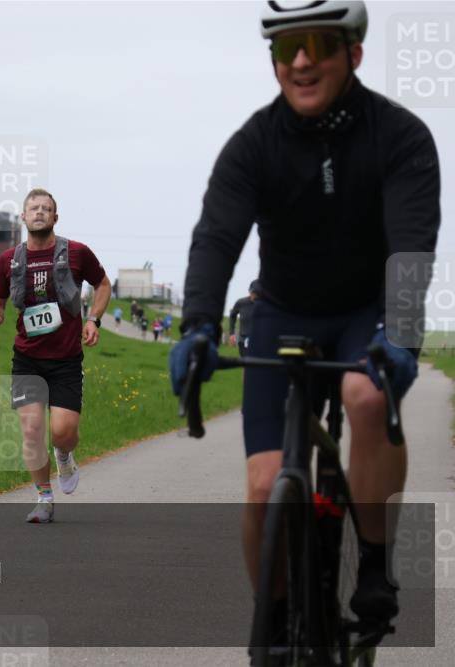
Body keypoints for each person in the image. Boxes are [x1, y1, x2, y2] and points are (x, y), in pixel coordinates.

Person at [169, 0, 439, 642]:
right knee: (265, 485)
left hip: (365, 314)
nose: (299, 61)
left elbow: (410, 247)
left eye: (316, 44)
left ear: (354, 53)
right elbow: (217, 237)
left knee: (366, 396)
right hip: (281, 311)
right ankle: (275, 623)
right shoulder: (254, 143)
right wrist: (198, 325)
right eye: (283, 48)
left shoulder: (400, 137)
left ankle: (373, 563)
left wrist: (399, 331)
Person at [0, 188, 111, 523]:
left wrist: (94, 319)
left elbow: (103, 284)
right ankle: (43, 498)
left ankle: (64, 456)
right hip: (27, 359)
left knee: (63, 433)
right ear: (23, 217)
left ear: (55, 216)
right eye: (33, 208)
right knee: (31, 431)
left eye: (46, 208)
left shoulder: (77, 253)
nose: (39, 212)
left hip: (66, 360)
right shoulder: (8, 260)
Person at [228, 280, 261, 357]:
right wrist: (231, 333)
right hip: (243, 339)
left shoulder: (263, 304)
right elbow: (232, 316)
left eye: (257, 293)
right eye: (252, 292)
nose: (254, 295)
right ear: (250, 291)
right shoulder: (241, 302)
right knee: (245, 361)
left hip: (258, 339)